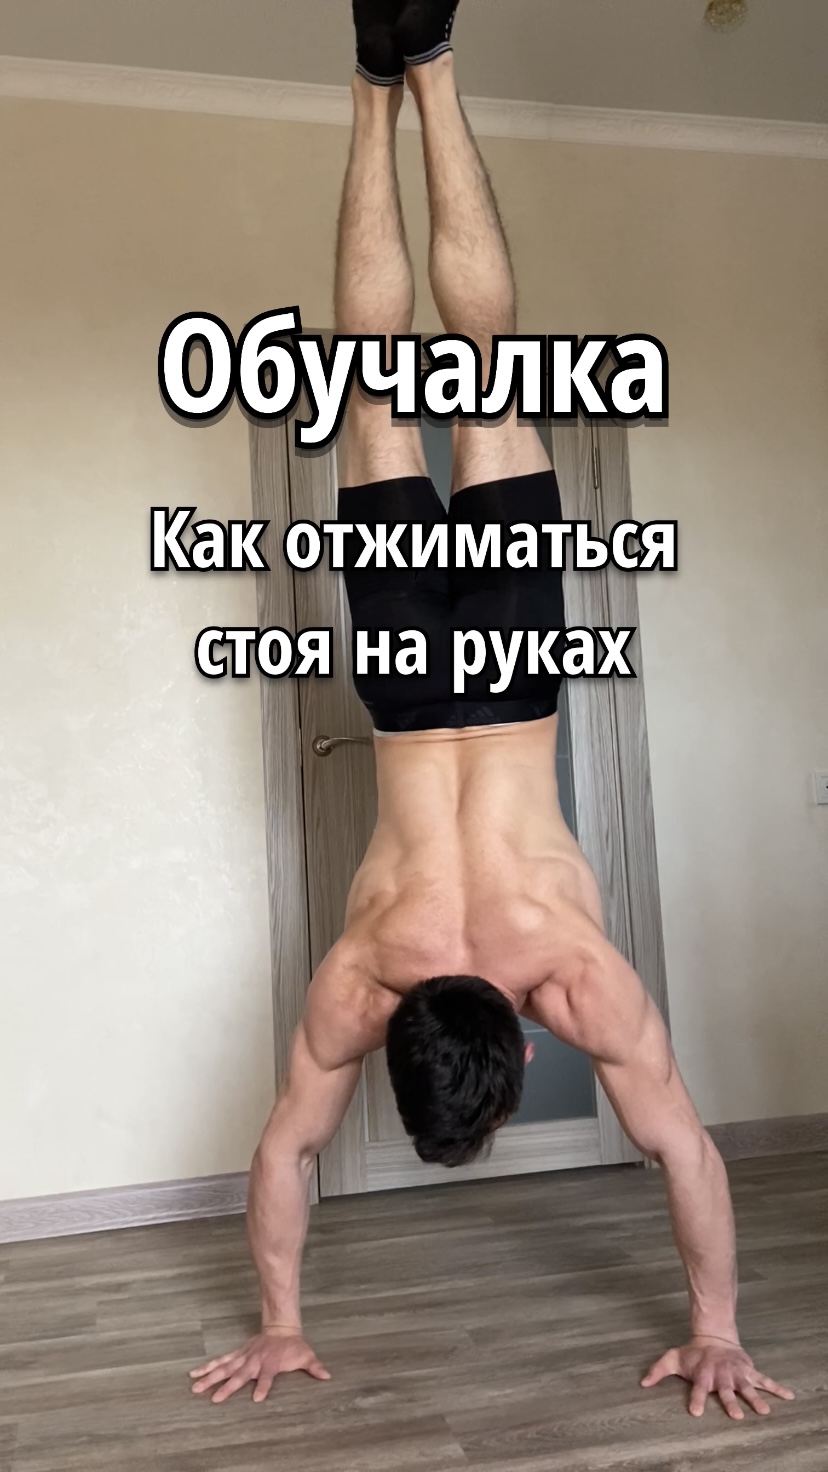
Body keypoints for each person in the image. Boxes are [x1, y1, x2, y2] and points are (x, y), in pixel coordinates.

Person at [190, 0, 794, 1420]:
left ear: (521, 1051)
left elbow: (684, 1151)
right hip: (409, 684)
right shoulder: (362, 978)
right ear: (403, 1040)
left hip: (514, 677)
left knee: (487, 358)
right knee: (377, 380)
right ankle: (379, 79)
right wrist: (279, 1320)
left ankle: (434, 65)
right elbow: (284, 1152)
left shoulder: (574, 978)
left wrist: (717, 1330)